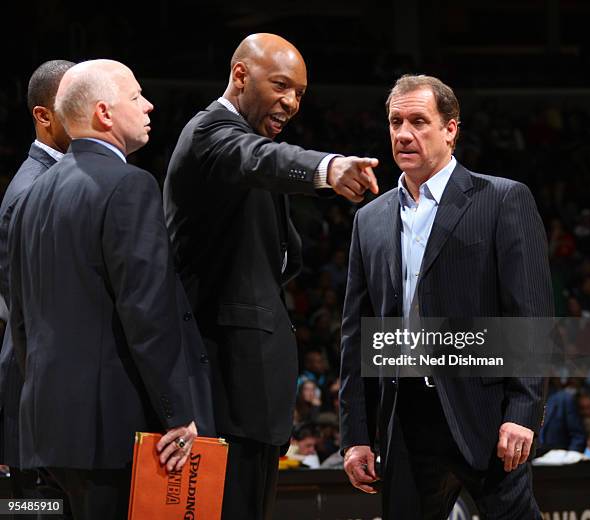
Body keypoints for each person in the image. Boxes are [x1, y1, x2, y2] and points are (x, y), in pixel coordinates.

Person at [163, 32, 379, 520]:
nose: (292, 102)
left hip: (249, 392)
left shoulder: (249, 141)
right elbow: (261, 161)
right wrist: (328, 167)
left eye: (300, 93)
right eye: (282, 85)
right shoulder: (209, 133)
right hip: (222, 388)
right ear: (241, 75)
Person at [340, 74, 553, 519]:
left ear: (451, 129)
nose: (403, 133)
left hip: (486, 415)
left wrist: (523, 409)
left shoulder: (502, 199)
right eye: (396, 121)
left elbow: (530, 314)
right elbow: (357, 335)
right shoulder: (370, 219)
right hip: (405, 421)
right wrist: (356, 433)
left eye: (419, 121)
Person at [7, 59, 214, 520]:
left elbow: (21, 321)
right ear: (104, 113)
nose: (148, 105)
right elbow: (147, 313)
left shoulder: (30, 195)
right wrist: (177, 414)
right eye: (136, 96)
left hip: (48, 430)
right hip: (112, 433)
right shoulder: (129, 186)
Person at [0, 59, 74, 513]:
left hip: (48, 392)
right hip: (37, 396)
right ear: (43, 116)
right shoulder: (32, 190)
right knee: (39, 511)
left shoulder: (58, 180)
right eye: (73, 105)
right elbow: (32, 314)